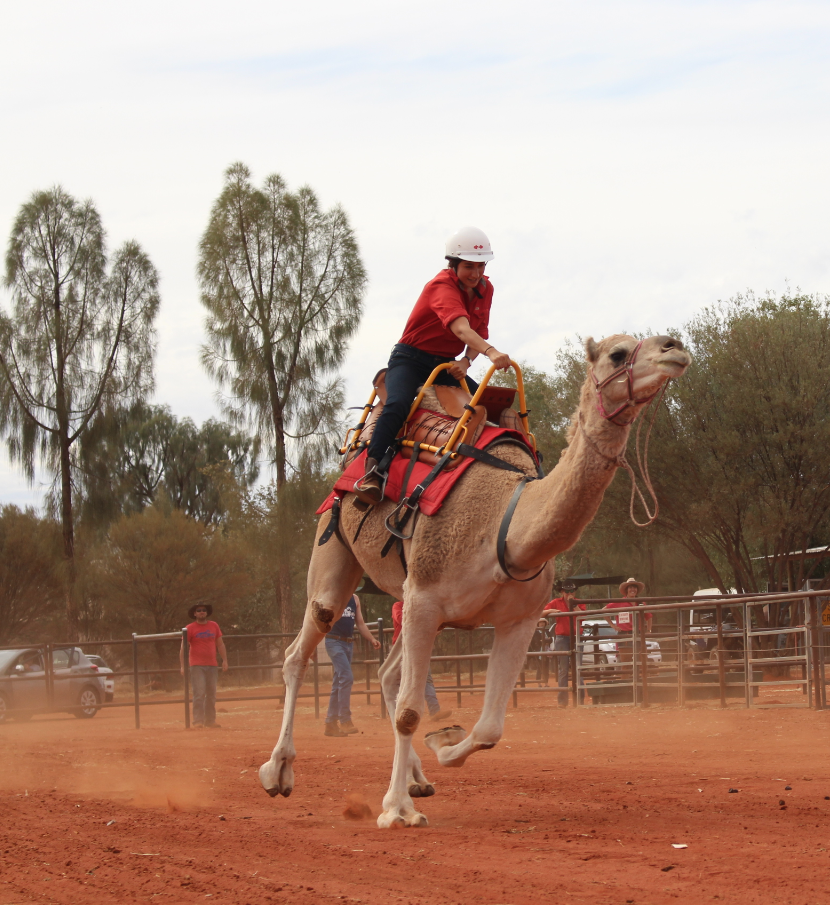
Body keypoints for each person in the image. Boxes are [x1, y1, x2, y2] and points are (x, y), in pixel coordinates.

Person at [354, 226, 512, 506]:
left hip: (447, 364)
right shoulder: (441, 286)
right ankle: (373, 471)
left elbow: (478, 333)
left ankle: (519, 468)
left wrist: (466, 360)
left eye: (480, 266)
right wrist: (491, 352)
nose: (475, 273)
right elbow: (463, 329)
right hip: (411, 359)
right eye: (468, 266)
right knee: (400, 403)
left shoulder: (485, 290)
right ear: (453, 264)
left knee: (492, 406)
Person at [324, 593, 381, 737]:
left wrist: (371, 639)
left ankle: (330, 723)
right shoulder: (334, 595)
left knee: (339, 681)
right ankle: (345, 719)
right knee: (346, 677)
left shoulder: (354, 599)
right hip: (333, 641)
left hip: (348, 643)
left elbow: (360, 623)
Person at [391, 601, 452, 722]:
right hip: (401, 649)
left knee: (425, 677)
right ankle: (396, 711)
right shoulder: (398, 606)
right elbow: (402, 619)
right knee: (400, 680)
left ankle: (435, 711)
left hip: (418, 647)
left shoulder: (420, 605)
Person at [180, 603, 228, 729]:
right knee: (199, 693)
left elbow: (220, 644)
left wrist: (225, 660)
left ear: (207, 613)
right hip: (196, 665)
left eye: (204, 610)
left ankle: (210, 720)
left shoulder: (214, 626)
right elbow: (183, 648)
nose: (202, 612)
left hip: (212, 665)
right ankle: (198, 721)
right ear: (195, 613)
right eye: (199, 610)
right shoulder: (190, 628)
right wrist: (183, 665)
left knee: (211, 693)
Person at [544, 581, 587, 706]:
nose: (569, 593)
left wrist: (573, 605)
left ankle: (580, 700)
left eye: (571, 591)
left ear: (575, 592)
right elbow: (542, 612)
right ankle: (562, 701)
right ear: (562, 592)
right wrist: (553, 611)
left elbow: (583, 616)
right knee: (563, 669)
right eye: (567, 591)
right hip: (562, 638)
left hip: (577, 637)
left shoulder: (579, 601)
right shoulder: (556, 602)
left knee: (578, 667)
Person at [603, 577, 652, 664]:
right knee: (625, 661)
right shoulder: (619, 602)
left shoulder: (641, 603)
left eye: (634, 587)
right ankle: (624, 676)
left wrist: (648, 630)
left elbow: (649, 617)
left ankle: (641, 676)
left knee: (641, 659)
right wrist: (612, 625)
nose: (633, 589)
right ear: (626, 590)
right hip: (624, 634)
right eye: (630, 587)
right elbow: (603, 610)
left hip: (638, 633)